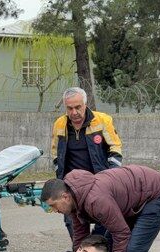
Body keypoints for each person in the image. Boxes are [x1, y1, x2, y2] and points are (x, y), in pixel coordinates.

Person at [51, 87, 123, 238]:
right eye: (69, 108)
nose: (74, 112)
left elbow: (115, 146)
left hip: (98, 182)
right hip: (70, 185)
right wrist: (59, 174)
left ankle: (97, 251)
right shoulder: (59, 124)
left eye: (78, 107)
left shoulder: (103, 120)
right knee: (73, 224)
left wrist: (111, 175)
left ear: (85, 104)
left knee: (103, 220)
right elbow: (55, 152)